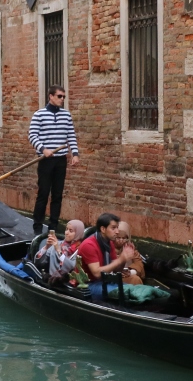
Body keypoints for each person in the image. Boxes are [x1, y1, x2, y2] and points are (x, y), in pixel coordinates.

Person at [28, 85, 80, 235]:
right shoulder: (39, 115)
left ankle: (53, 227)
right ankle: (37, 227)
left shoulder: (66, 115)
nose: (62, 99)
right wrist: (43, 149)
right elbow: (32, 135)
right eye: (59, 96)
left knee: (57, 194)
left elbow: (71, 135)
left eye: (63, 97)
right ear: (50, 96)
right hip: (45, 160)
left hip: (60, 160)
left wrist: (74, 154)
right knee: (43, 193)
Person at [76, 213, 133, 302]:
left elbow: (115, 270)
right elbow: (97, 273)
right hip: (88, 285)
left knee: (132, 289)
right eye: (113, 228)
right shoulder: (89, 245)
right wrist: (120, 259)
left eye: (117, 227)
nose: (117, 231)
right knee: (126, 294)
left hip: (104, 282)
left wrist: (123, 260)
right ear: (103, 229)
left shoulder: (109, 243)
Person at [35, 219, 86, 284]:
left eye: (71, 231)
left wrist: (59, 251)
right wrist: (46, 247)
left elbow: (71, 267)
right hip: (51, 282)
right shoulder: (58, 244)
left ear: (78, 233)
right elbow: (39, 263)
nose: (66, 233)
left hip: (68, 284)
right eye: (66, 229)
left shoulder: (81, 249)